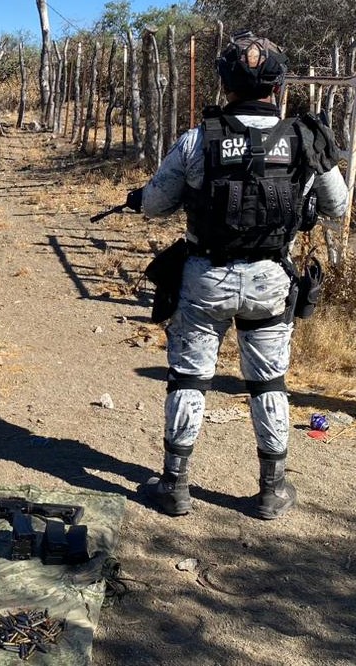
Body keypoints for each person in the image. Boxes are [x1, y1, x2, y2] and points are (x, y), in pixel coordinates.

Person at [130, 30, 349, 519]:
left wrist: (144, 197)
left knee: (188, 378)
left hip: (205, 277)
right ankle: (272, 492)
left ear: (225, 82)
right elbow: (338, 205)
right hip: (271, 279)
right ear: (277, 84)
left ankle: (175, 486)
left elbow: (157, 204)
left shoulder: (197, 139)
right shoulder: (305, 137)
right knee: (269, 383)